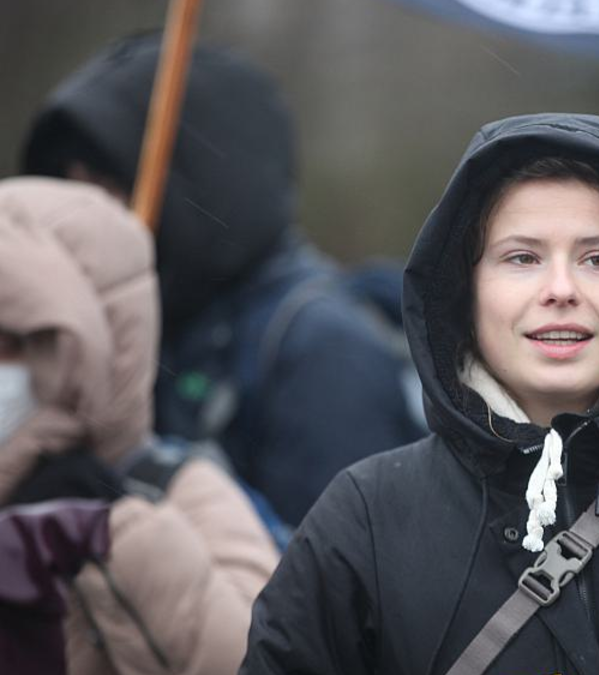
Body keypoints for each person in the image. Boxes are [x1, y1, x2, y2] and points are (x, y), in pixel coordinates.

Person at [240, 113, 599, 675]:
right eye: (522, 257)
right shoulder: (368, 518)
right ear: (464, 289)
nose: (561, 289)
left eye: (598, 259)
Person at [20, 34, 426, 526]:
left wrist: (142, 503)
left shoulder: (322, 350)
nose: (86, 214)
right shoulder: (151, 318)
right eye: (71, 186)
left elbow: (340, 566)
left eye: (108, 188)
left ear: (199, 183)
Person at [0, 177, 279, 674]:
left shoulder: (179, 491)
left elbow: (259, 656)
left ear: (91, 345)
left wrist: (109, 534)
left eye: (11, 343)